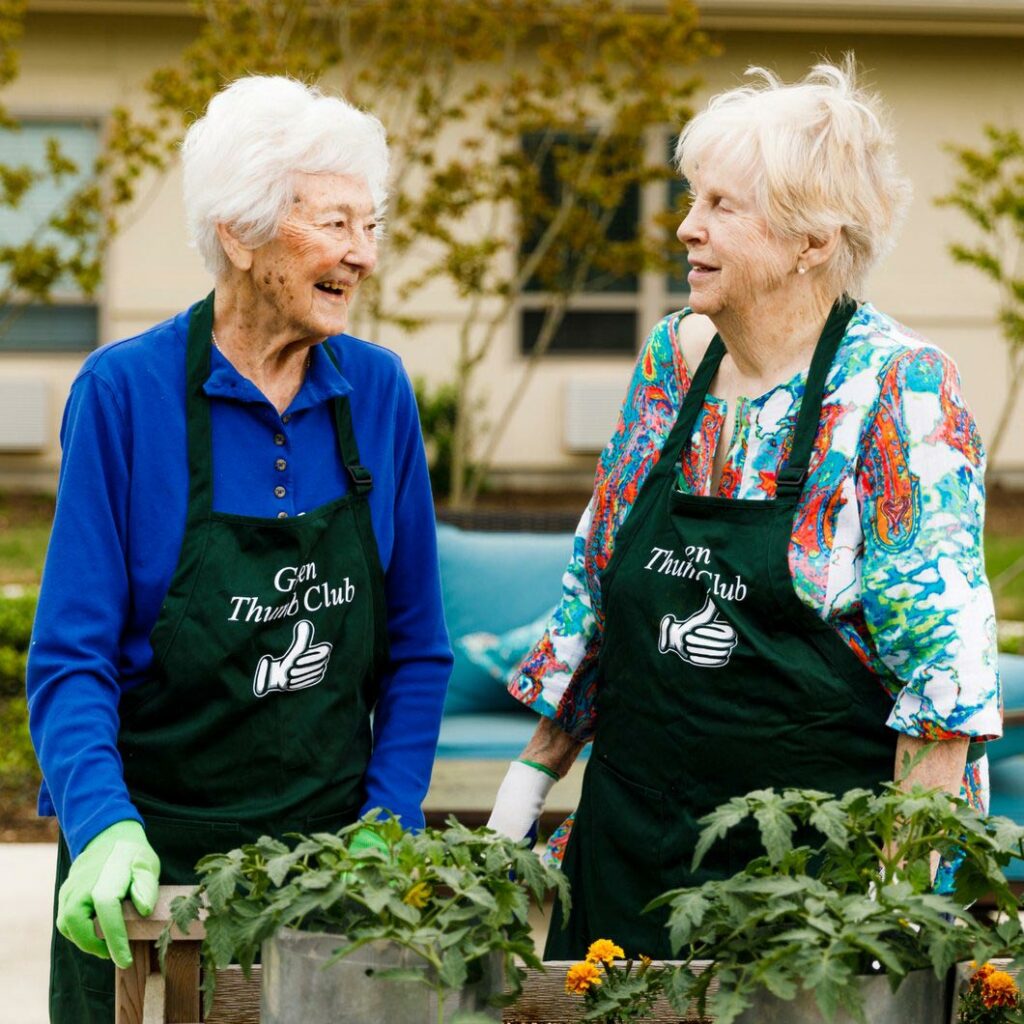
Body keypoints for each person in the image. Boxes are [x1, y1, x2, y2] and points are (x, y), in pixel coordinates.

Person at [487, 60, 1002, 959]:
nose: (687, 227)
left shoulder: (898, 391)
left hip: (806, 898)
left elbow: (944, 691)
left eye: (723, 206)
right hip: (630, 853)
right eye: (694, 199)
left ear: (812, 241)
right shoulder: (672, 362)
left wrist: (889, 920)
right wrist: (521, 797)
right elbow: (595, 593)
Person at [26, 76, 453, 1023]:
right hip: (148, 866)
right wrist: (100, 827)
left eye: (371, 225)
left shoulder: (376, 394)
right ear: (241, 230)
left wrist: (387, 819)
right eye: (336, 223)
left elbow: (418, 647)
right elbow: (69, 658)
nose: (364, 254)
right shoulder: (124, 395)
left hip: (328, 870)